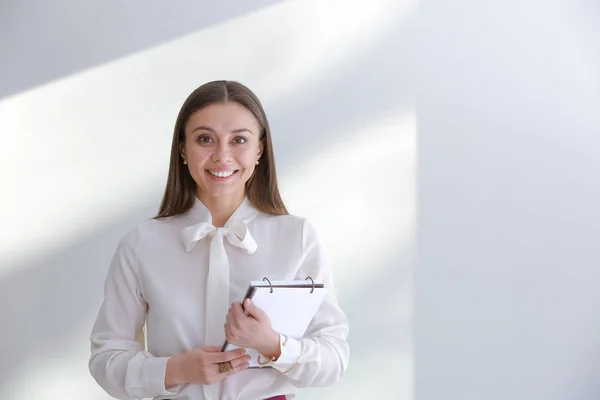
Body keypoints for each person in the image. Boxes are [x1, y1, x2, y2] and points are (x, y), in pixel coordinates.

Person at [89, 80, 349, 400]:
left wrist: (272, 345)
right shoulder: (141, 244)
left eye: (239, 139)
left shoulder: (297, 238)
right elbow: (106, 357)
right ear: (183, 149)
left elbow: (335, 357)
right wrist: (175, 370)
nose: (222, 156)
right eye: (205, 139)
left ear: (259, 150)